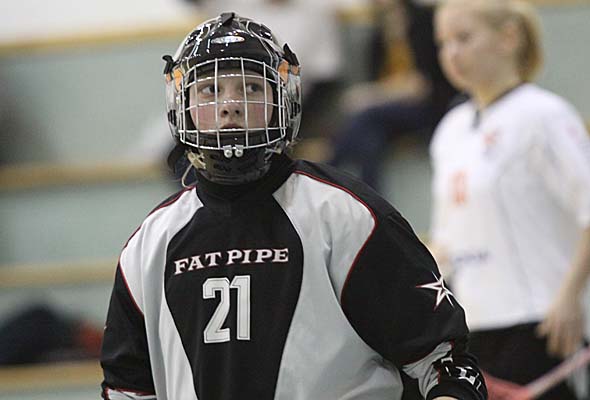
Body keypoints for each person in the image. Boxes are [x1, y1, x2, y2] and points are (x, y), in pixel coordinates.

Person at [100, 12, 487, 400]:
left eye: (251, 88)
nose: (230, 105)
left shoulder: (347, 216)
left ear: (282, 102)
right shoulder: (149, 245)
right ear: (181, 106)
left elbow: (446, 366)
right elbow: (126, 390)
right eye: (209, 90)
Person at [429, 0, 590, 399]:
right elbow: (444, 242)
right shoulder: (450, 130)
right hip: (472, 329)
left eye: (463, 38)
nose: (452, 53)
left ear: (508, 38)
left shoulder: (544, 115)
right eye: (443, 43)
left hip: (542, 326)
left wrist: (570, 297)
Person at [328, 0, 459, 191]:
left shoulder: (423, 24)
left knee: (365, 116)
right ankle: (371, 196)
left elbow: (420, 86)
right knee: (370, 137)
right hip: (389, 115)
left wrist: (371, 95)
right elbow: (376, 79)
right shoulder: (377, 37)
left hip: (428, 107)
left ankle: (331, 170)